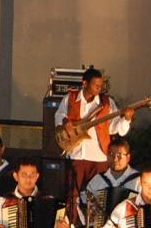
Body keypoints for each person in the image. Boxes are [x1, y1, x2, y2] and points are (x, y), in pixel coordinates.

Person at [54, 67, 135, 200]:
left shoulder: (107, 103)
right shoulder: (70, 98)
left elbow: (116, 129)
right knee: (73, 197)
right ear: (85, 83)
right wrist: (65, 122)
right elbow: (59, 115)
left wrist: (126, 119)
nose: (99, 88)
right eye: (95, 84)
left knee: (97, 198)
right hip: (76, 156)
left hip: (99, 159)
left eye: (100, 85)